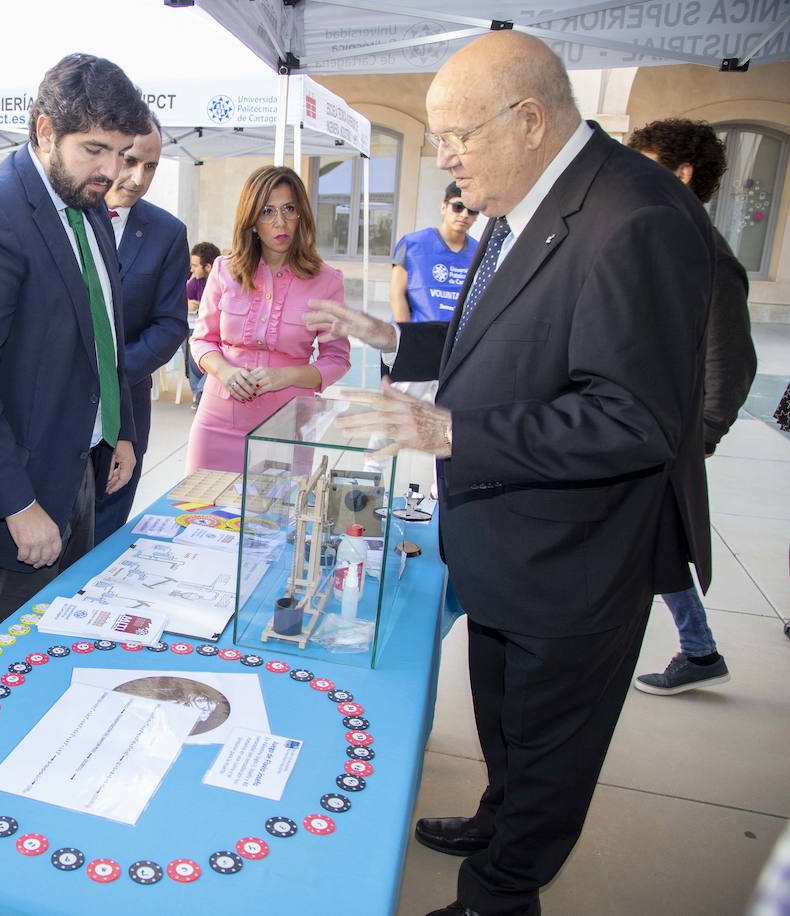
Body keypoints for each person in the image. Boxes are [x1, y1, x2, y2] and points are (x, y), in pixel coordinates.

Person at [307, 31, 713, 916]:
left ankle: (502, 891)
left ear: (530, 120)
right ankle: (497, 818)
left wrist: (449, 428)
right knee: (504, 720)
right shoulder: (530, 200)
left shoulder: (633, 215)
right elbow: (505, 340)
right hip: (505, 547)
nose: (445, 158)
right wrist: (395, 338)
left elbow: (634, 417)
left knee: (551, 745)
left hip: (575, 557)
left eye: (458, 135)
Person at [0, 53, 148, 647]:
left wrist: (118, 426)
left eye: (122, 154)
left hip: (79, 470)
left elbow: (102, 328)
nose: (112, 171)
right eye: (95, 150)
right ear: (46, 131)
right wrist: (18, 505)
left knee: (60, 656)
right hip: (13, 500)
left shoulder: (89, 203)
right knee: (4, 678)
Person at [623, 118, 756, 696]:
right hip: (636, 429)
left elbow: (731, 364)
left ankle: (698, 649)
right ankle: (699, 650)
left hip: (664, 440)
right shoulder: (658, 238)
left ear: (681, 174)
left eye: (645, 163)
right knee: (653, 543)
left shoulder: (710, 258)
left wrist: (698, 438)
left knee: (648, 543)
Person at [186, 165, 351, 473]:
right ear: (252, 221)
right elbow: (202, 340)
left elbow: (337, 359)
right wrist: (225, 372)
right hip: (217, 422)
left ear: (301, 213)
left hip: (288, 427)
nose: (280, 222)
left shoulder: (328, 281)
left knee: (276, 521)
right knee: (199, 514)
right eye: (267, 212)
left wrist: (284, 376)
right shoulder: (224, 269)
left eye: (288, 209)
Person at [93, 114, 188, 541]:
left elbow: (170, 326)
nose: (138, 177)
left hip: (127, 411)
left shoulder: (167, 232)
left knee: (106, 532)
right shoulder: (66, 217)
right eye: (130, 161)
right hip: (52, 418)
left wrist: (109, 377)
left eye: (151, 166)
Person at [391, 180, 479, 325]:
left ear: (476, 216)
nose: (464, 214)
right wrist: (406, 334)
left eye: (471, 210)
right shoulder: (412, 244)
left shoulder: (480, 252)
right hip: (419, 336)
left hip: (459, 340)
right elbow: (397, 294)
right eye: (458, 207)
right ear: (443, 207)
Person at [185, 241, 220, 407]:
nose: (191, 269)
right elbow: (180, 300)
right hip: (196, 329)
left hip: (220, 334)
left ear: (208, 267)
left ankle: (202, 393)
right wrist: (187, 303)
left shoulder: (223, 281)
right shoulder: (194, 282)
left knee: (216, 352)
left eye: (195, 265)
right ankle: (199, 393)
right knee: (191, 347)